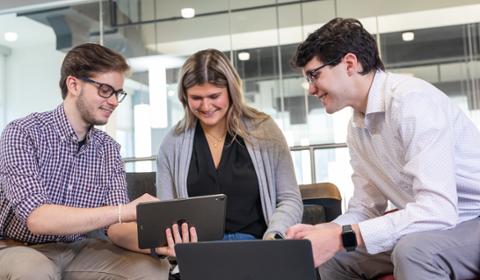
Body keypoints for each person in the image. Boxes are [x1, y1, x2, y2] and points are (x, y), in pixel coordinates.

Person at [287, 18, 480, 280]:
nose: (310, 88)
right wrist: (324, 233)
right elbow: (366, 208)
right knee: (335, 258)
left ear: (350, 64)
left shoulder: (412, 102)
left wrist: (342, 236)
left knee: (412, 252)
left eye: (314, 74)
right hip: (436, 225)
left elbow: (438, 210)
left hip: (470, 217)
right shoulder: (357, 127)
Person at [0, 43, 173, 279]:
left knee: (153, 269)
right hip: (16, 247)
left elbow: (117, 228)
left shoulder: (109, 150)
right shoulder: (23, 133)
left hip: (74, 250)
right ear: (74, 85)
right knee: (34, 270)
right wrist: (123, 211)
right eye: (105, 90)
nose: (113, 101)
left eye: (117, 93)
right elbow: (37, 218)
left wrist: (157, 244)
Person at [156, 48, 303, 240]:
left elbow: (290, 199)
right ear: (184, 96)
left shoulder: (264, 130)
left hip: (258, 246)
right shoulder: (172, 143)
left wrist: (275, 236)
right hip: (199, 252)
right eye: (196, 98)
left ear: (231, 91)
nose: (206, 107)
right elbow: (165, 212)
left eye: (214, 96)